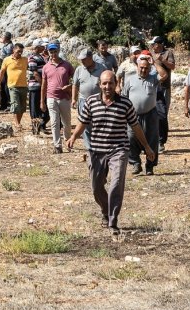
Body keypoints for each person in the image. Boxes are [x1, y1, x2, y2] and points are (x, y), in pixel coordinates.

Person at [66, 71, 156, 235]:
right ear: (99, 85)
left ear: (116, 84)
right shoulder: (91, 102)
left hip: (119, 150)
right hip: (96, 150)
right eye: (104, 83)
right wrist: (73, 137)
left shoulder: (125, 104)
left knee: (116, 184)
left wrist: (147, 147)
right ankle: (106, 211)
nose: (107, 87)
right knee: (96, 186)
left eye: (111, 83)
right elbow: (83, 123)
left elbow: (136, 127)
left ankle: (113, 221)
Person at [120, 52, 169, 175]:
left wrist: (154, 64)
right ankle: (136, 163)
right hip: (133, 115)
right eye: (141, 67)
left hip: (150, 115)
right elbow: (124, 98)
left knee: (152, 139)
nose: (143, 70)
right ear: (137, 67)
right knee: (131, 138)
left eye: (146, 68)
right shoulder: (130, 80)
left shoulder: (153, 79)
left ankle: (150, 166)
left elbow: (164, 75)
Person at [41, 41, 75, 154]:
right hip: (51, 97)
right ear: (48, 52)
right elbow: (44, 85)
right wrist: (42, 101)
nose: (53, 54)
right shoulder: (46, 67)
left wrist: (69, 87)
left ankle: (68, 141)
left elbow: (76, 79)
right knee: (54, 122)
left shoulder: (67, 65)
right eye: (51, 51)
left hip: (64, 97)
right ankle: (57, 146)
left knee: (67, 122)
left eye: (55, 51)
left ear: (59, 51)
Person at [72, 49, 103, 150]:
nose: (82, 61)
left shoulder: (101, 68)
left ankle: (98, 146)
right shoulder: (79, 69)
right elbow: (75, 85)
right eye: (81, 59)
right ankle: (89, 148)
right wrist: (73, 99)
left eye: (84, 59)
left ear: (90, 58)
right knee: (84, 125)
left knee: (98, 124)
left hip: (98, 101)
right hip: (83, 101)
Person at [149, 36, 176, 152]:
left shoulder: (168, 53)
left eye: (153, 44)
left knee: (163, 114)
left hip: (164, 87)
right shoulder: (150, 52)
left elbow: (173, 66)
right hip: (150, 87)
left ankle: (161, 141)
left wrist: (162, 60)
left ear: (159, 44)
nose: (152, 46)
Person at [0, 43, 28, 130]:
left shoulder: (25, 60)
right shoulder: (7, 60)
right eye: (18, 51)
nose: (20, 53)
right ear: (13, 50)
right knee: (15, 105)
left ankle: (18, 122)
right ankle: (17, 123)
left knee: (22, 107)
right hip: (13, 86)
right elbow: (1, 72)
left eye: (21, 52)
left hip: (24, 86)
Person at [27, 39, 50, 134]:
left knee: (44, 107)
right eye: (42, 46)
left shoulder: (41, 57)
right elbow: (35, 74)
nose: (44, 48)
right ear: (37, 47)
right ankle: (35, 128)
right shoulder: (32, 58)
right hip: (36, 86)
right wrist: (43, 84)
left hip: (41, 86)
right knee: (35, 108)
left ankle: (41, 126)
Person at [0, 32, 14, 111]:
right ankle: (3, 104)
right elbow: (0, 40)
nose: (2, 38)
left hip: (6, 68)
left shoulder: (10, 46)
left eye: (3, 36)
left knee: (6, 86)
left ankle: (9, 105)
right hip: (3, 67)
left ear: (6, 38)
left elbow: (8, 58)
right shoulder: (7, 44)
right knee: (3, 85)